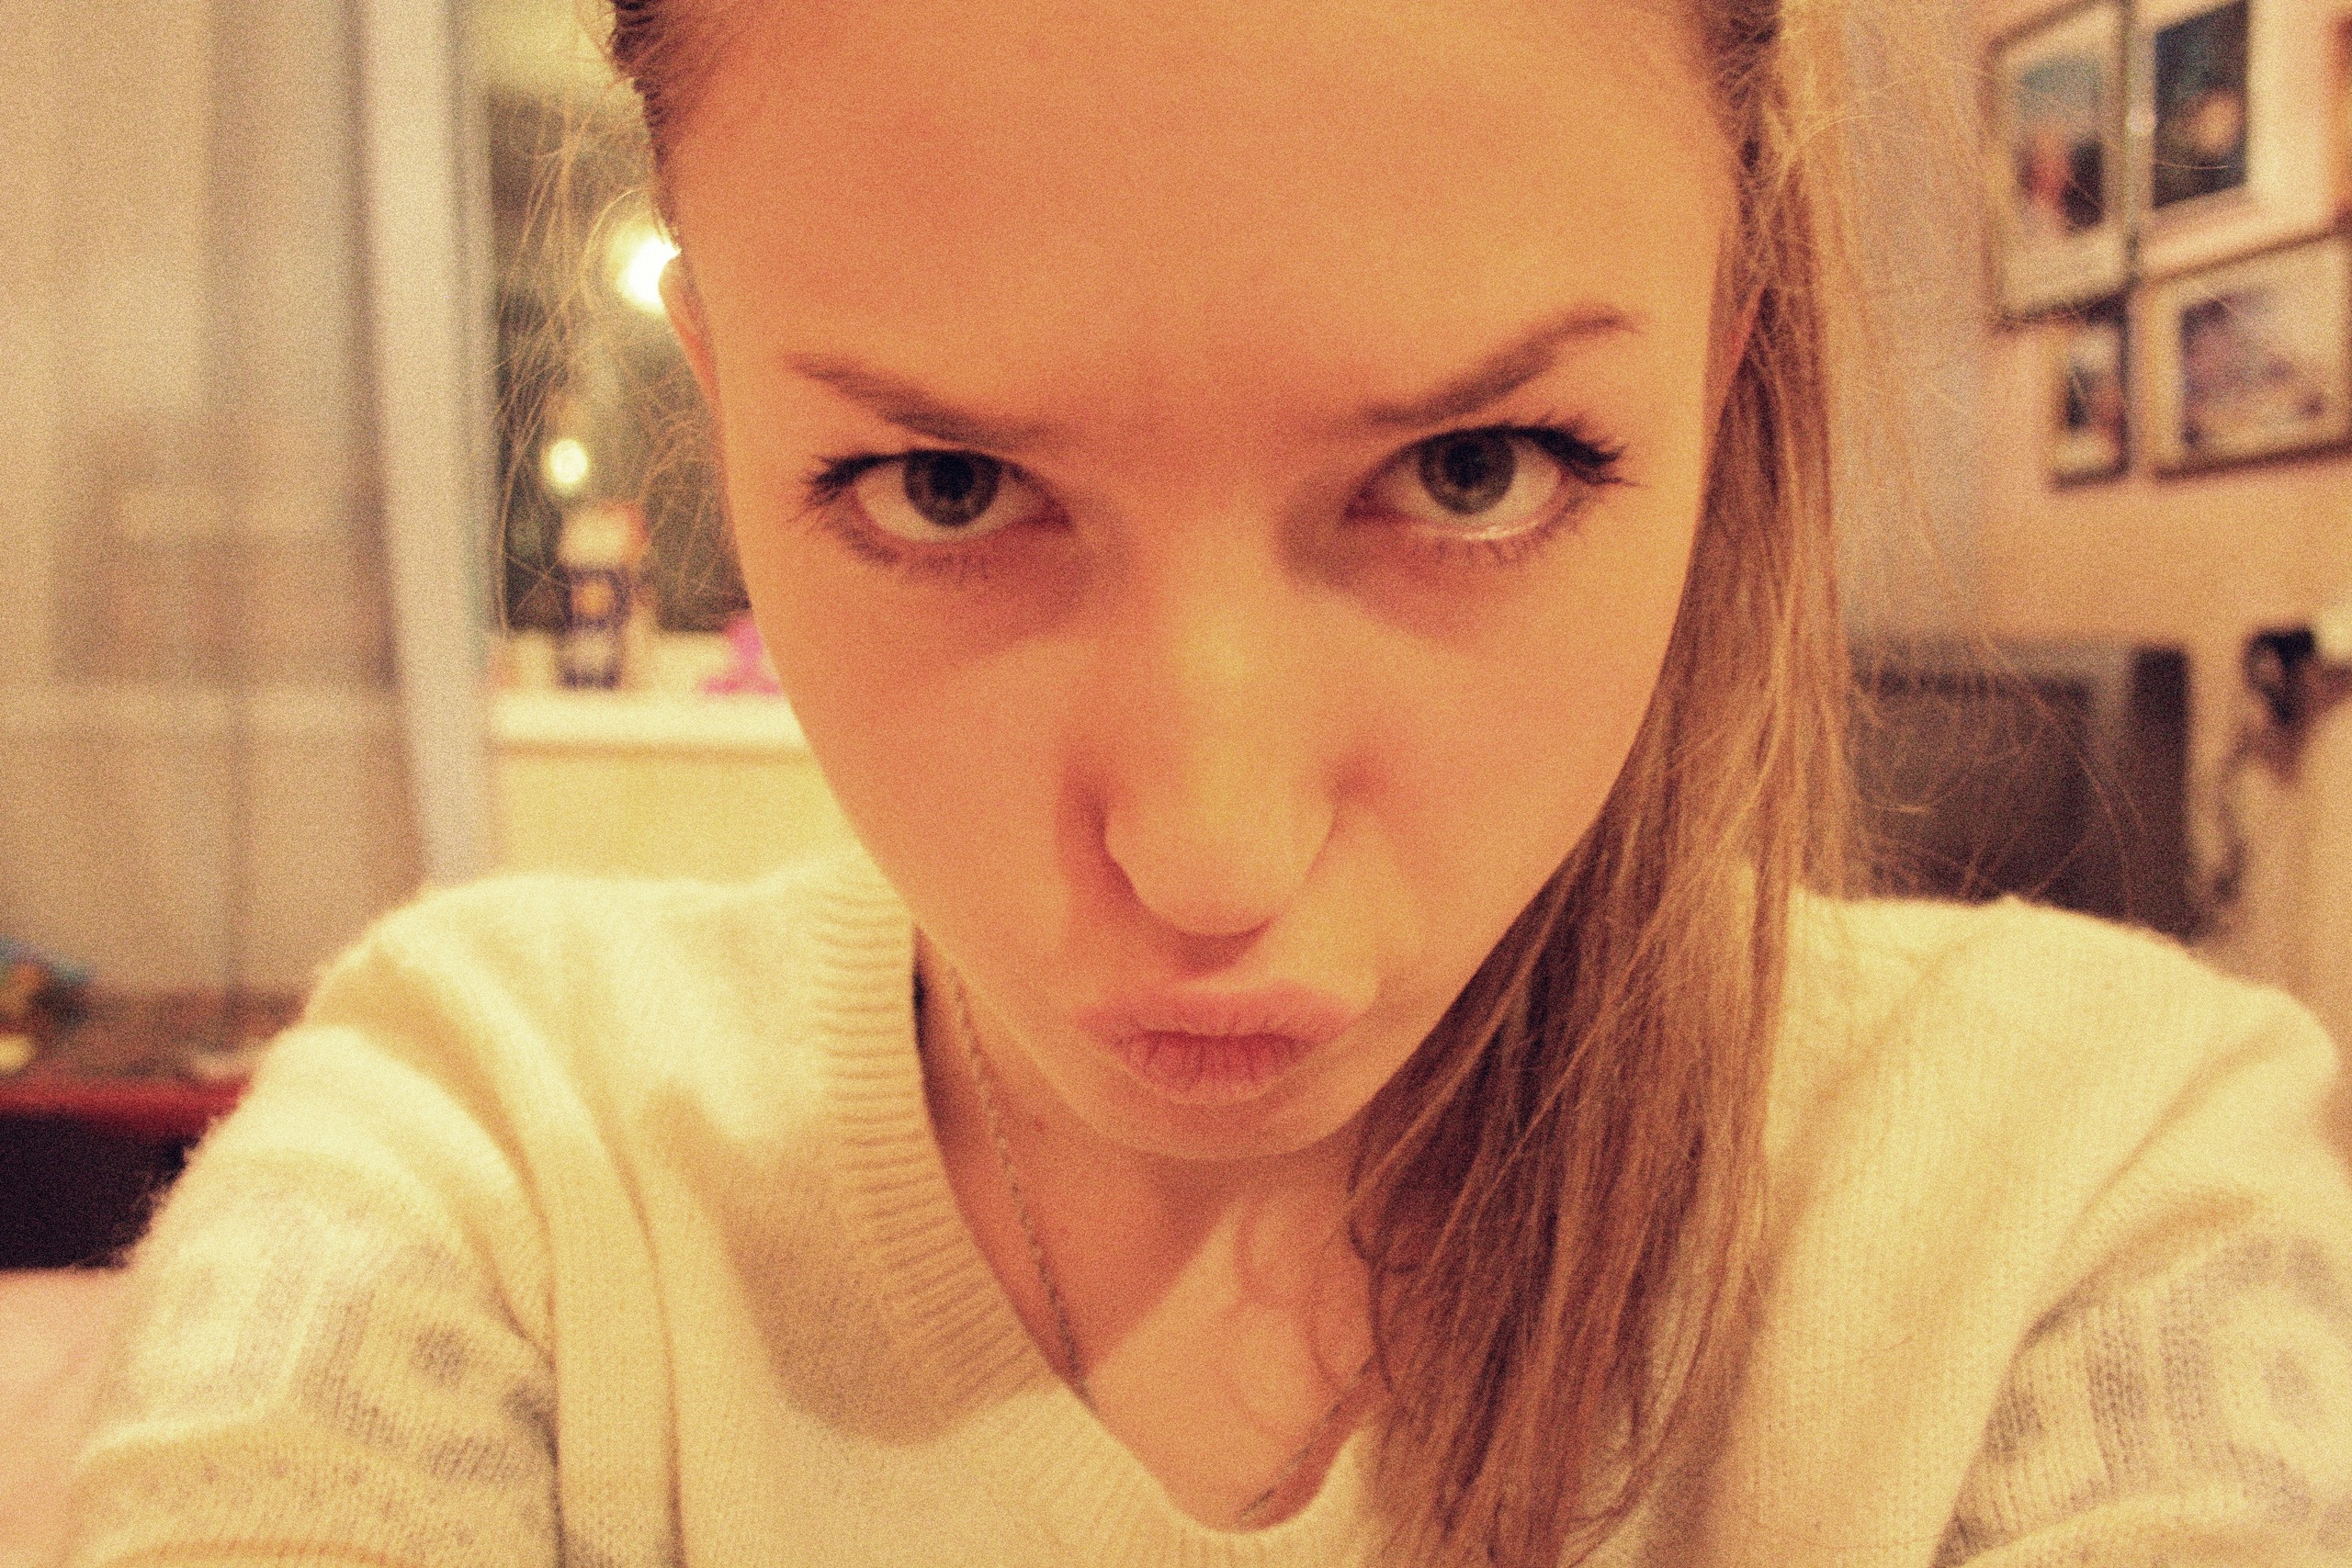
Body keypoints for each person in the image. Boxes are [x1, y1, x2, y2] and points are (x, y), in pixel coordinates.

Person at [64, 0, 2352, 1563]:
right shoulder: (498, 1152)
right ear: (722, 406)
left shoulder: (2085, 1198)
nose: (1209, 853)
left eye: (1471, 468)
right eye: (946, 484)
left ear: (1717, 373)